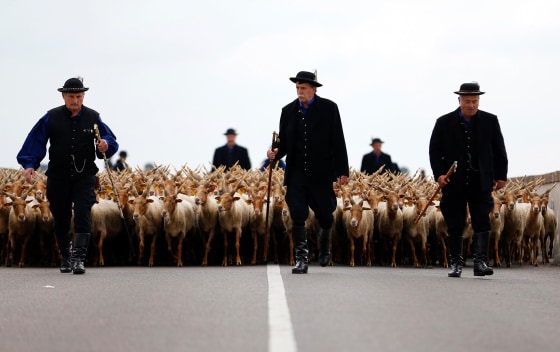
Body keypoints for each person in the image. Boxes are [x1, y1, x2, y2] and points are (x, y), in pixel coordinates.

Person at [17, 77, 119, 274]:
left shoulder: (93, 117)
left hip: (84, 176)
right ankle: (66, 256)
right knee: (61, 216)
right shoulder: (51, 117)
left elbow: (109, 139)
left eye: (79, 96)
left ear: (83, 97)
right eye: (71, 96)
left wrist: (105, 144)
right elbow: (36, 141)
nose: (75, 100)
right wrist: (30, 165)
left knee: (82, 213)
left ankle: (79, 259)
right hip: (58, 175)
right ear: (64, 96)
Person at [267, 70, 349, 274]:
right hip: (296, 173)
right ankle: (301, 259)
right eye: (297, 88)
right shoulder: (287, 111)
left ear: (313, 89)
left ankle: (324, 242)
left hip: (320, 173)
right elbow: (283, 144)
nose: (299, 91)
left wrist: (342, 170)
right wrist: (274, 154)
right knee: (298, 213)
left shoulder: (329, 109)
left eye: (303, 88)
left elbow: (338, 140)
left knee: (326, 214)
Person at [429, 82, 508, 278]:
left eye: (474, 101)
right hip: (453, 181)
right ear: (459, 101)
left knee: (482, 219)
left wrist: (501, 175)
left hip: (481, 180)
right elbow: (434, 151)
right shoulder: (443, 122)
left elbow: (499, 149)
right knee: (455, 222)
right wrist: (439, 174)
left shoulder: (490, 121)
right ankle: (455, 263)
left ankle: (480, 262)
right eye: (467, 101)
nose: (471, 105)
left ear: (478, 101)